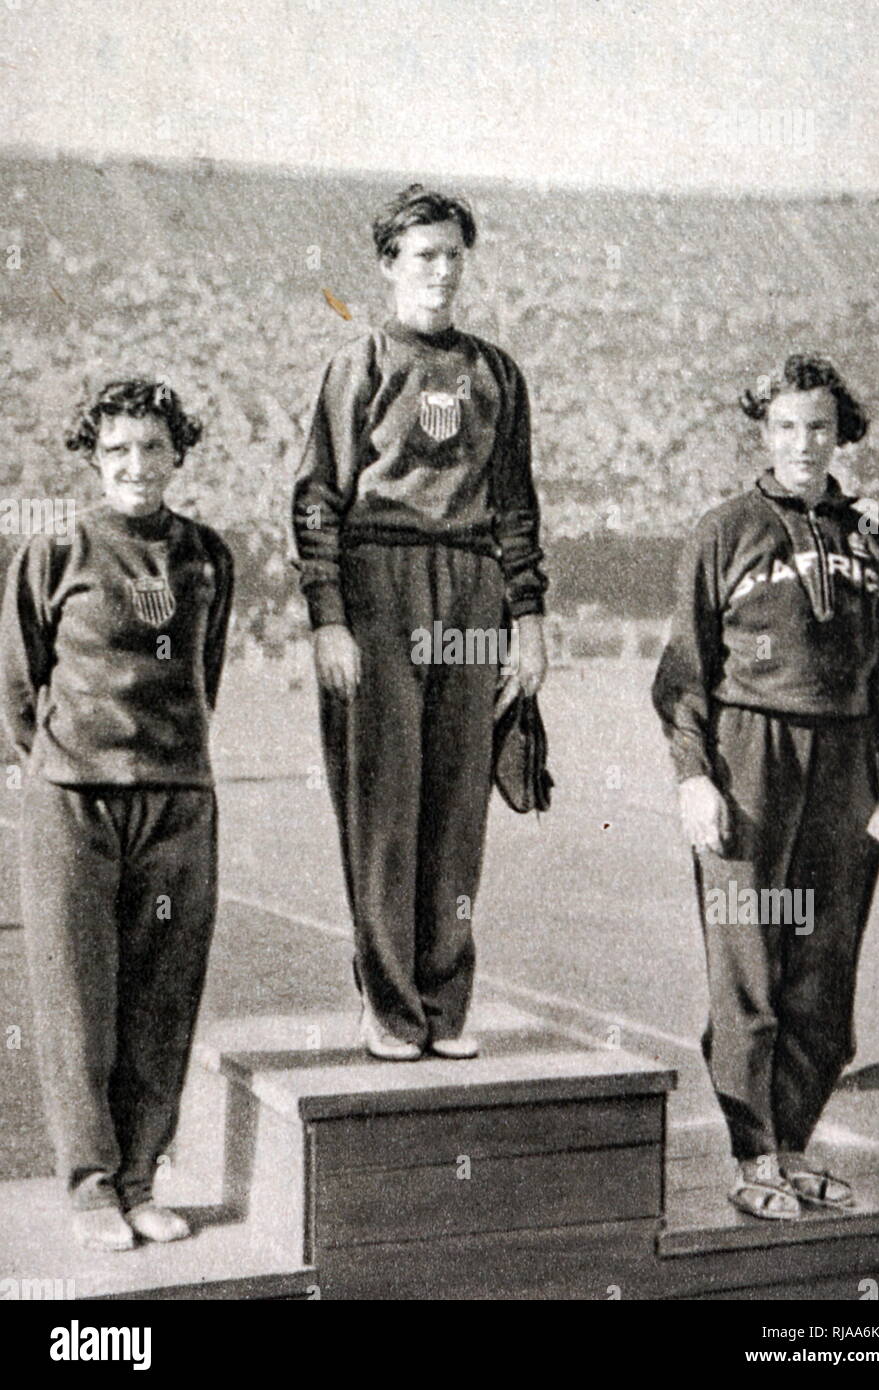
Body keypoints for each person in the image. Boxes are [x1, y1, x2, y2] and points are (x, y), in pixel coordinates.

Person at [652, 354, 879, 1220]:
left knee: (823, 971)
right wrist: (695, 777)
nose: (803, 444)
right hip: (750, 758)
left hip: (846, 769)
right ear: (764, 434)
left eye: (819, 427)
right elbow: (682, 675)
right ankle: (751, 1153)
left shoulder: (870, 541)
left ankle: (796, 1144)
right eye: (786, 428)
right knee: (752, 967)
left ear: (841, 434)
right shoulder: (723, 531)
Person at [291, 184, 548, 1061]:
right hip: (379, 583)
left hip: (472, 585)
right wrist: (329, 618)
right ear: (390, 265)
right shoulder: (357, 364)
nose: (440, 271)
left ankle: (445, 1004)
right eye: (423, 255)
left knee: (458, 810)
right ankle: (391, 1006)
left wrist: (530, 617)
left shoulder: (495, 372)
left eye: (452, 255)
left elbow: (516, 506)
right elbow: (318, 502)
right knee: (385, 807)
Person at [0, 380, 234, 1251]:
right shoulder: (54, 549)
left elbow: (203, 675)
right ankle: (93, 1188)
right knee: (76, 1003)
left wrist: (166, 761)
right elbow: (19, 688)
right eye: (118, 451)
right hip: (73, 803)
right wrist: (67, 766)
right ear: (95, 460)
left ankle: (142, 1181)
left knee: (163, 1001)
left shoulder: (208, 554)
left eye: (153, 448)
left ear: (178, 453)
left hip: (179, 800)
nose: (137, 465)